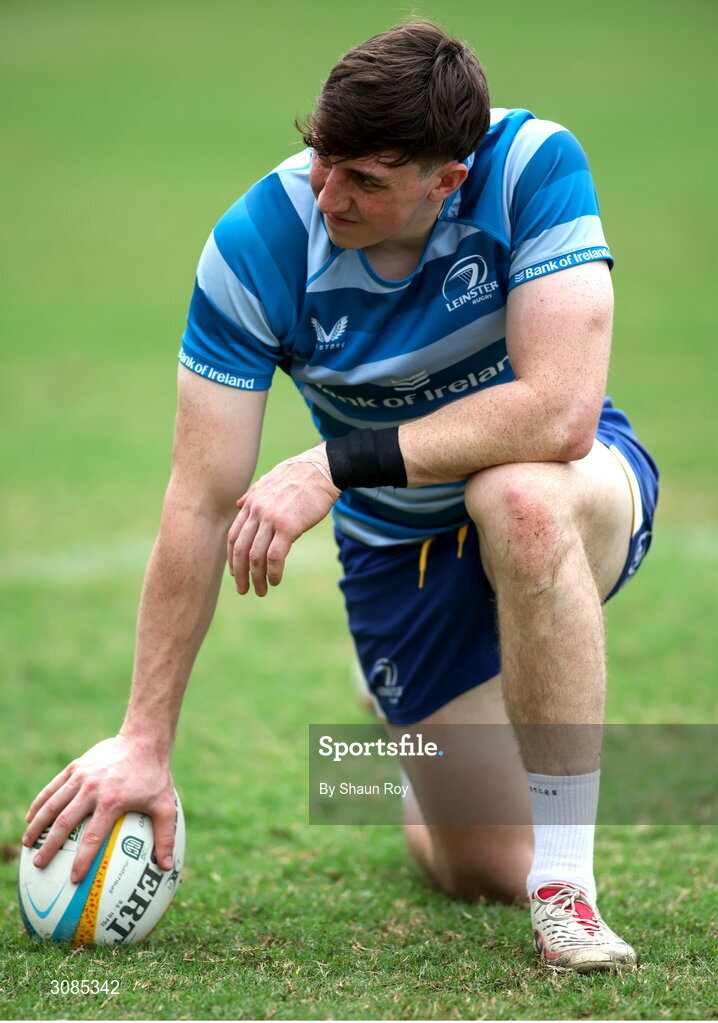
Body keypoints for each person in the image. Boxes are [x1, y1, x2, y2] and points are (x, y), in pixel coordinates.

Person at [22, 20, 658, 972]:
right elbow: (200, 501)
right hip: (400, 554)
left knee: (518, 499)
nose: (329, 196)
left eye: (366, 180)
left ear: (448, 179)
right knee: (483, 866)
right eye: (324, 161)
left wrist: (332, 462)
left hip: (572, 488)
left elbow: (559, 412)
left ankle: (567, 888)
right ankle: (417, 759)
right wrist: (143, 739)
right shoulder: (258, 248)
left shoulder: (532, 167)